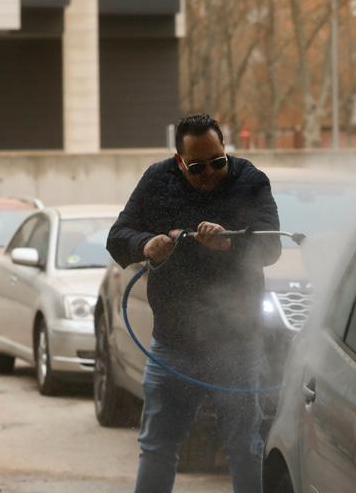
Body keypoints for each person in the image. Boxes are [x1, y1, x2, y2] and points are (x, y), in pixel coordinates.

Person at [106, 113, 282, 493]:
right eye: (198, 168)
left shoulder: (250, 181)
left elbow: (272, 247)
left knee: (244, 447)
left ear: (226, 151)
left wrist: (230, 243)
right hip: (174, 342)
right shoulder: (157, 181)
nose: (210, 175)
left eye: (218, 163)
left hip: (236, 342)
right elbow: (118, 236)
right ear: (178, 161)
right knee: (157, 446)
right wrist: (146, 245)